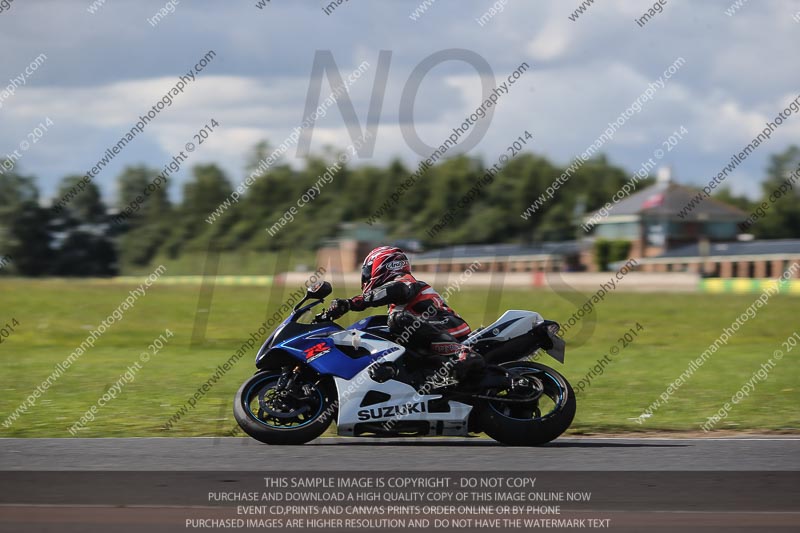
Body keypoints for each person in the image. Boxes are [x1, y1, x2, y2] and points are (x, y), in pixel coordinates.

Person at [326, 246, 485, 384]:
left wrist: (351, 303)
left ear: (383, 266)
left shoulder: (405, 281)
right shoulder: (397, 301)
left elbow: (396, 290)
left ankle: (463, 352)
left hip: (448, 325)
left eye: (367, 271)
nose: (365, 277)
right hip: (436, 330)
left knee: (397, 320)